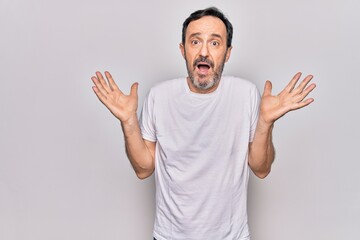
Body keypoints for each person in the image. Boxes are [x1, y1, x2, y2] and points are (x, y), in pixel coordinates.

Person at [91, 7, 316, 240]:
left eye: (215, 43)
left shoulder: (245, 93)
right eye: (195, 42)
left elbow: (261, 168)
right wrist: (128, 122)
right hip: (170, 236)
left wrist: (266, 123)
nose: (204, 52)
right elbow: (143, 169)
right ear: (183, 49)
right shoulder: (159, 96)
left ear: (228, 53)